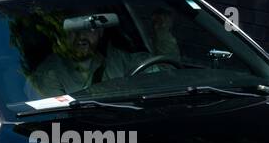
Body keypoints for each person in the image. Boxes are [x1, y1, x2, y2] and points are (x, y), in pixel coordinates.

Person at [31, 13, 177, 98]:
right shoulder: (49, 73)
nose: (81, 36)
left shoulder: (117, 59)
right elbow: (58, 120)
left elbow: (166, 74)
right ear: (63, 35)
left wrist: (162, 33)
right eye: (74, 30)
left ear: (101, 32)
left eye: (90, 29)